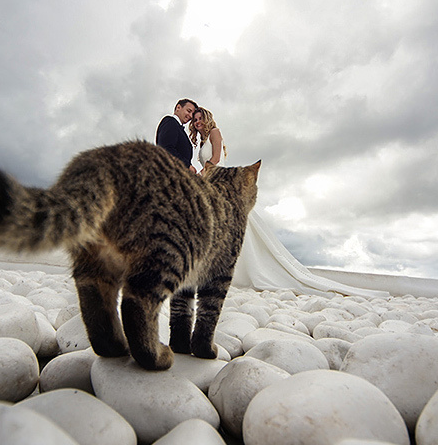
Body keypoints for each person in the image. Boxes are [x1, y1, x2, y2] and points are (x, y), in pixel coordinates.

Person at [189, 106, 386, 298]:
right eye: (195, 120)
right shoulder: (203, 140)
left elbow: (215, 159)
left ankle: (245, 270)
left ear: (207, 119)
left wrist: (201, 175)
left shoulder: (215, 132)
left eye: (200, 118)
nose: (198, 122)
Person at [156, 98, 198, 174]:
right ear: (178, 107)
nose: (190, 116)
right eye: (189, 111)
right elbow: (165, 148)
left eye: (192, 114)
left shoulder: (179, 128)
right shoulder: (170, 122)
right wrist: (188, 166)